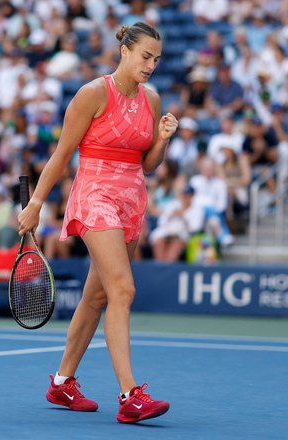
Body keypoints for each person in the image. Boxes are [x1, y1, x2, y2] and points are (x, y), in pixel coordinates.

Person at [17, 22, 178, 424]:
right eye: (145, 56)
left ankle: (62, 381)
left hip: (131, 201)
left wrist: (162, 140)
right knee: (123, 289)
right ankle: (130, 395)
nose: (151, 65)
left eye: (156, 60)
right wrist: (36, 203)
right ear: (124, 51)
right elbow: (61, 154)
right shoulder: (92, 94)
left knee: (97, 297)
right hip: (94, 196)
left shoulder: (152, 100)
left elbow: (149, 165)